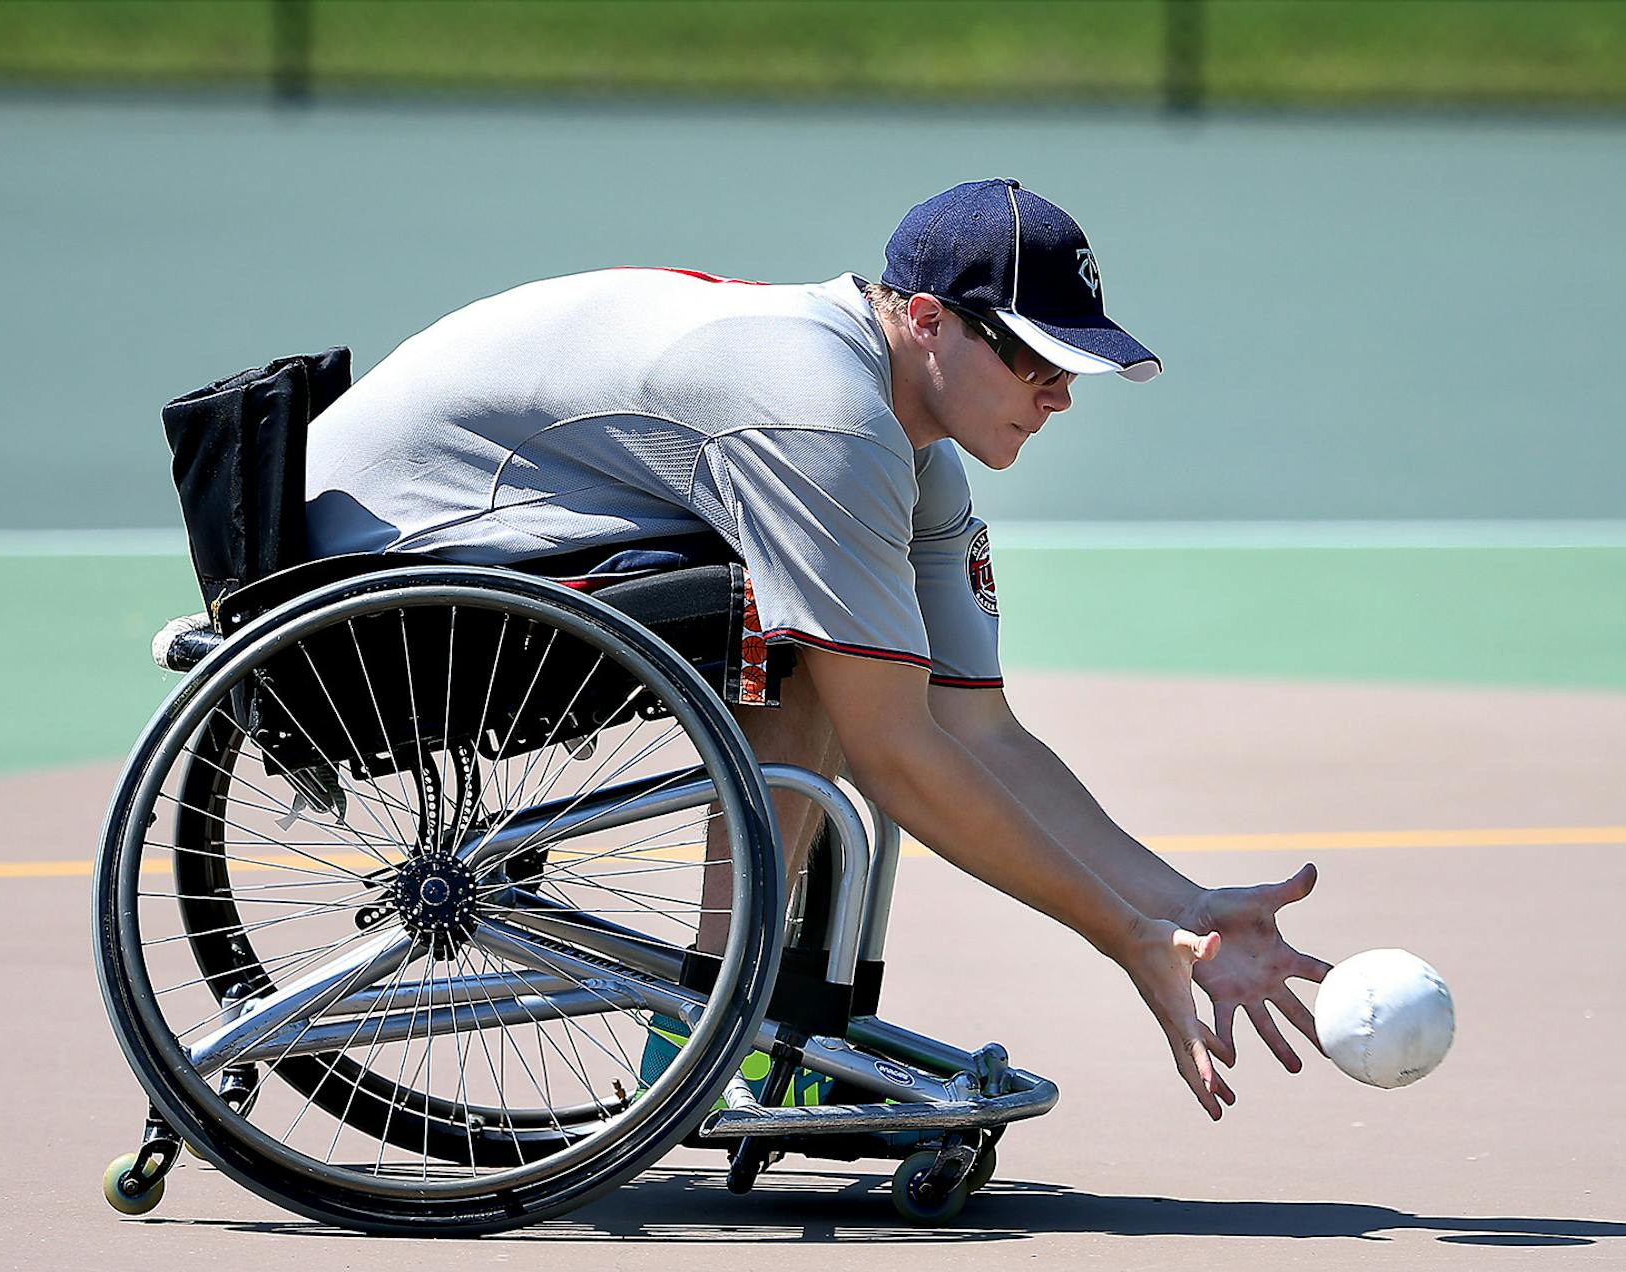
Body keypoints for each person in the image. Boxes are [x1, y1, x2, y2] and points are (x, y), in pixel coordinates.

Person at [304, 178, 1329, 1117]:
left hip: (479, 535)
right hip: (375, 572)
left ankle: (708, 1027)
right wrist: (1128, 940)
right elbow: (898, 759)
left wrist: (1180, 907)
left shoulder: (901, 440)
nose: (1058, 390)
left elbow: (975, 728)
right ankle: (709, 1031)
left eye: (1074, 365)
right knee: (830, 666)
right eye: (1033, 356)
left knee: (839, 658)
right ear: (925, 320)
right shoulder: (829, 423)